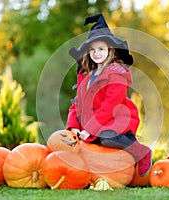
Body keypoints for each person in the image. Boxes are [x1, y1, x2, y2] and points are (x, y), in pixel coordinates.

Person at [66, 14, 151, 176]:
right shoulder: (86, 75)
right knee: (79, 142)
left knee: (105, 137)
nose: (96, 53)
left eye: (101, 49)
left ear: (110, 50)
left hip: (115, 119)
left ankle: (141, 152)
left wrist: (90, 129)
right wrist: (73, 127)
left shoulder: (116, 75)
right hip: (92, 122)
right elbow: (76, 103)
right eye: (92, 49)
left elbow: (109, 106)